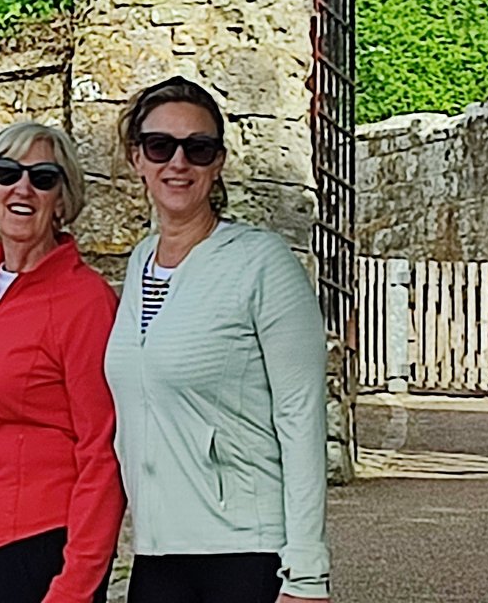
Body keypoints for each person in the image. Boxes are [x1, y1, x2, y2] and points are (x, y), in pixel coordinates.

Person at [102, 76, 332, 603]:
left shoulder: (262, 264)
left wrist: (307, 573)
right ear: (137, 158)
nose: (177, 162)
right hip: (158, 555)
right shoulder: (140, 263)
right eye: (160, 146)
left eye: (197, 148)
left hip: (245, 555)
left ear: (219, 162)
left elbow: (300, 417)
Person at [0, 121, 122, 603]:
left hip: (33, 547)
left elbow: (103, 450)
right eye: (7, 172)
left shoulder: (85, 300)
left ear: (62, 199)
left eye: (43, 177)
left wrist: (77, 585)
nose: (23, 187)